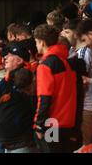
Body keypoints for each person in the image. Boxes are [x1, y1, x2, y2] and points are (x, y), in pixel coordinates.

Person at [33, 24, 78, 153]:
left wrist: (39, 125)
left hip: (52, 123)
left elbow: (45, 97)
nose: (36, 45)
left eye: (36, 42)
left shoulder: (45, 66)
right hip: (68, 122)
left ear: (41, 42)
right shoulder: (66, 63)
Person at [61, 19, 92, 145]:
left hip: (88, 103)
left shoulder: (84, 52)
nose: (63, 35)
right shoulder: (76, 51)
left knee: (87, 144)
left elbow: (82, 80)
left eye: (67, 32)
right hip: (83, 103)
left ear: (76, 34)